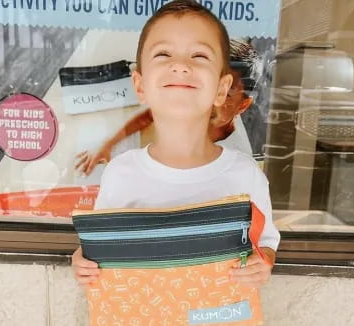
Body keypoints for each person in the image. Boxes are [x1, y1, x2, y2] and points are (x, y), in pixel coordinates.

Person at [72, 0, 280, 291]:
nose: (180, 65)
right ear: (140, 85)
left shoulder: (245, 175)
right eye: (163, 53)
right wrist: (83, 260)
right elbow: (103, 246)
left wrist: (263, 262)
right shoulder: (121, 173)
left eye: (199, 55)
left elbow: (266, 241)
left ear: (222, 88)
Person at [75, 39, 260, 175]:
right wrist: (108, 144)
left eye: (223, 93)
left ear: (243, 106)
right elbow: (150, 115)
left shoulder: (235, 161)